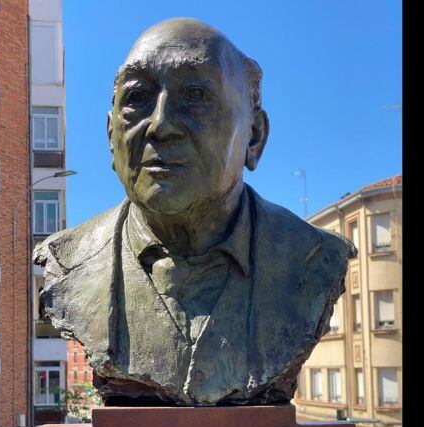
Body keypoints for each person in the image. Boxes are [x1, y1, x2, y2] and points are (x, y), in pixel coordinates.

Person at [34, 18, 355, 406]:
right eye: (137, 97)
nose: (161, 125)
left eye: (196, 95)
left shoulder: (314, 259)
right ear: (110, 136)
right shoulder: (67, 264)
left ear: (254, 136)